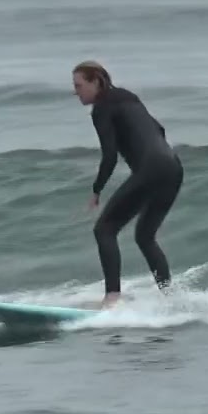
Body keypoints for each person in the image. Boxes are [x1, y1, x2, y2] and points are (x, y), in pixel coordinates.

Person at [71, 60, 183, 309]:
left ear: (95, 82)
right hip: (173, 167)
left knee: (104, 230)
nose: (75, 91)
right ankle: (169, 297)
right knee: (145, 236)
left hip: (151, 169)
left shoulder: (102, 108)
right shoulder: (129, 98)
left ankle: (112, 297)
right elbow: (159, 129)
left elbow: (109, 155)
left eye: (78, 85)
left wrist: (97, 189)